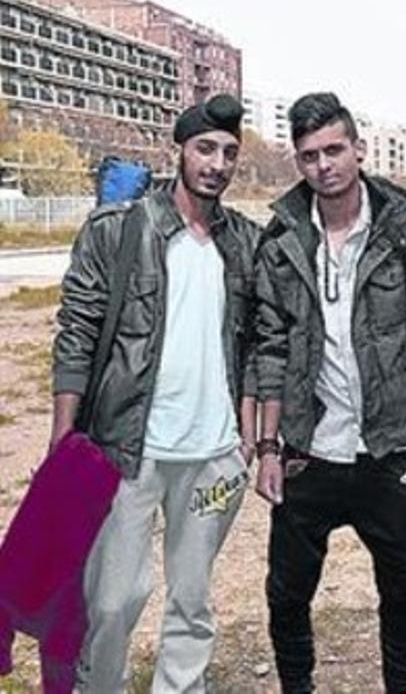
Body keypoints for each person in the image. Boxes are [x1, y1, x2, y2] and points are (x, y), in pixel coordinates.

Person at [51, 93, 260, 691]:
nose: (217, 164)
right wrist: (64, 434)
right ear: (181, 151)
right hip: (127, 447)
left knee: (192, 601)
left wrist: (251, 436)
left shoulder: (244, 242)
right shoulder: (119, 230)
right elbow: (78, 332)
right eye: (205, 149)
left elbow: (265, 340)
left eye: (228, 153)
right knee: (115, 599)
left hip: (214, 454)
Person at [252, 92, 406, 693]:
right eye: (310, 155)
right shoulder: (282, 239)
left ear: (358, 149)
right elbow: (269, 346)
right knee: (285, 595)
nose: (324, 165)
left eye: (335, 150)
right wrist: (267, 448)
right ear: (299, 162)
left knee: (400, 590)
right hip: (308, 449)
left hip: (387, 447)